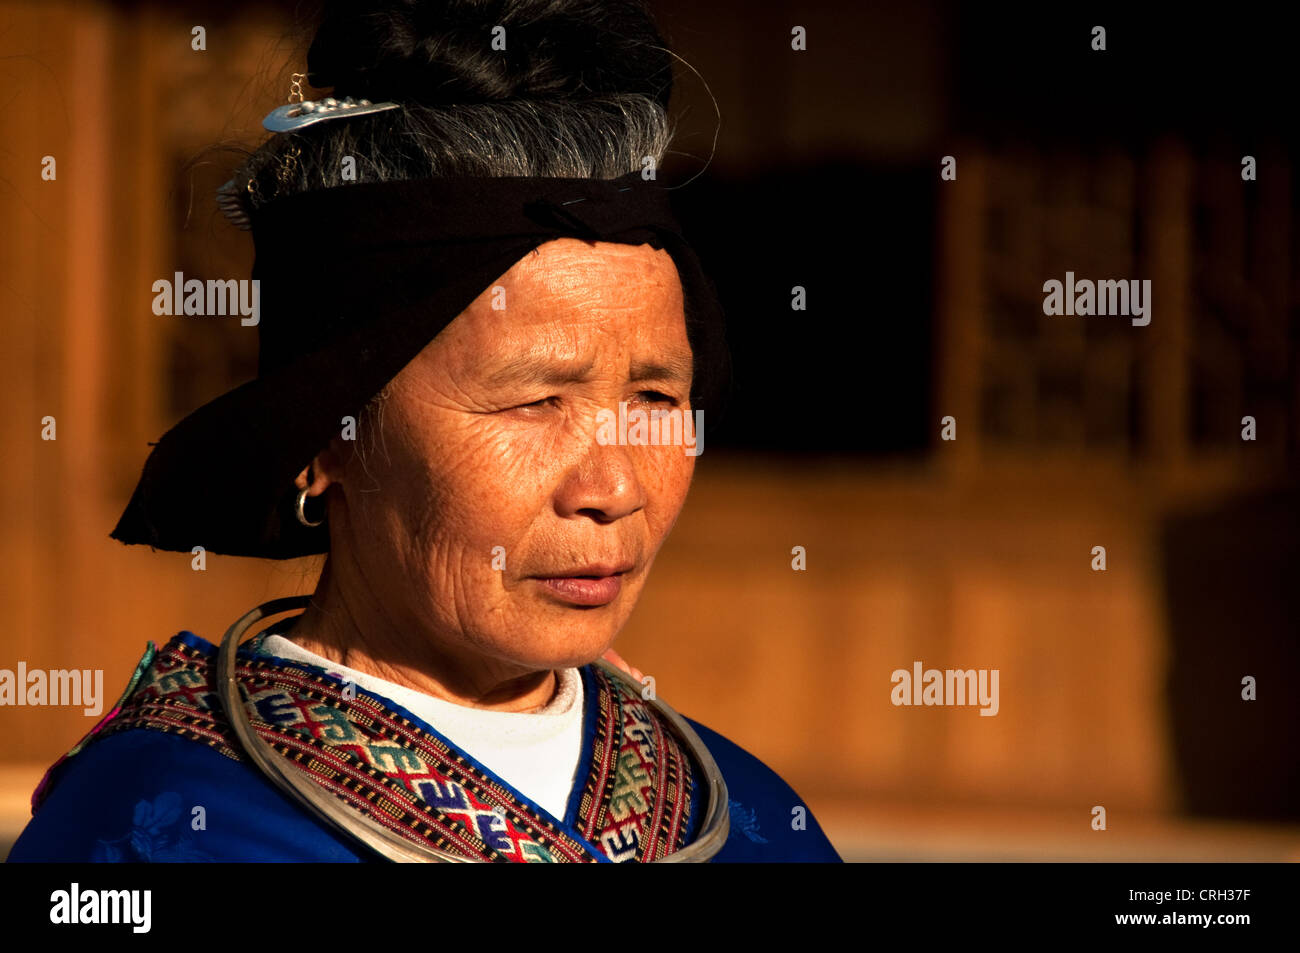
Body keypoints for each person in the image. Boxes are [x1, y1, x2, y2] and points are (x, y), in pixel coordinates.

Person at [7, 0, 841, 863]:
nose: (616, 487)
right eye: (535, 402)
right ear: (327, 437)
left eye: (657, 399)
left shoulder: (742, 818)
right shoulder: (156, 825)